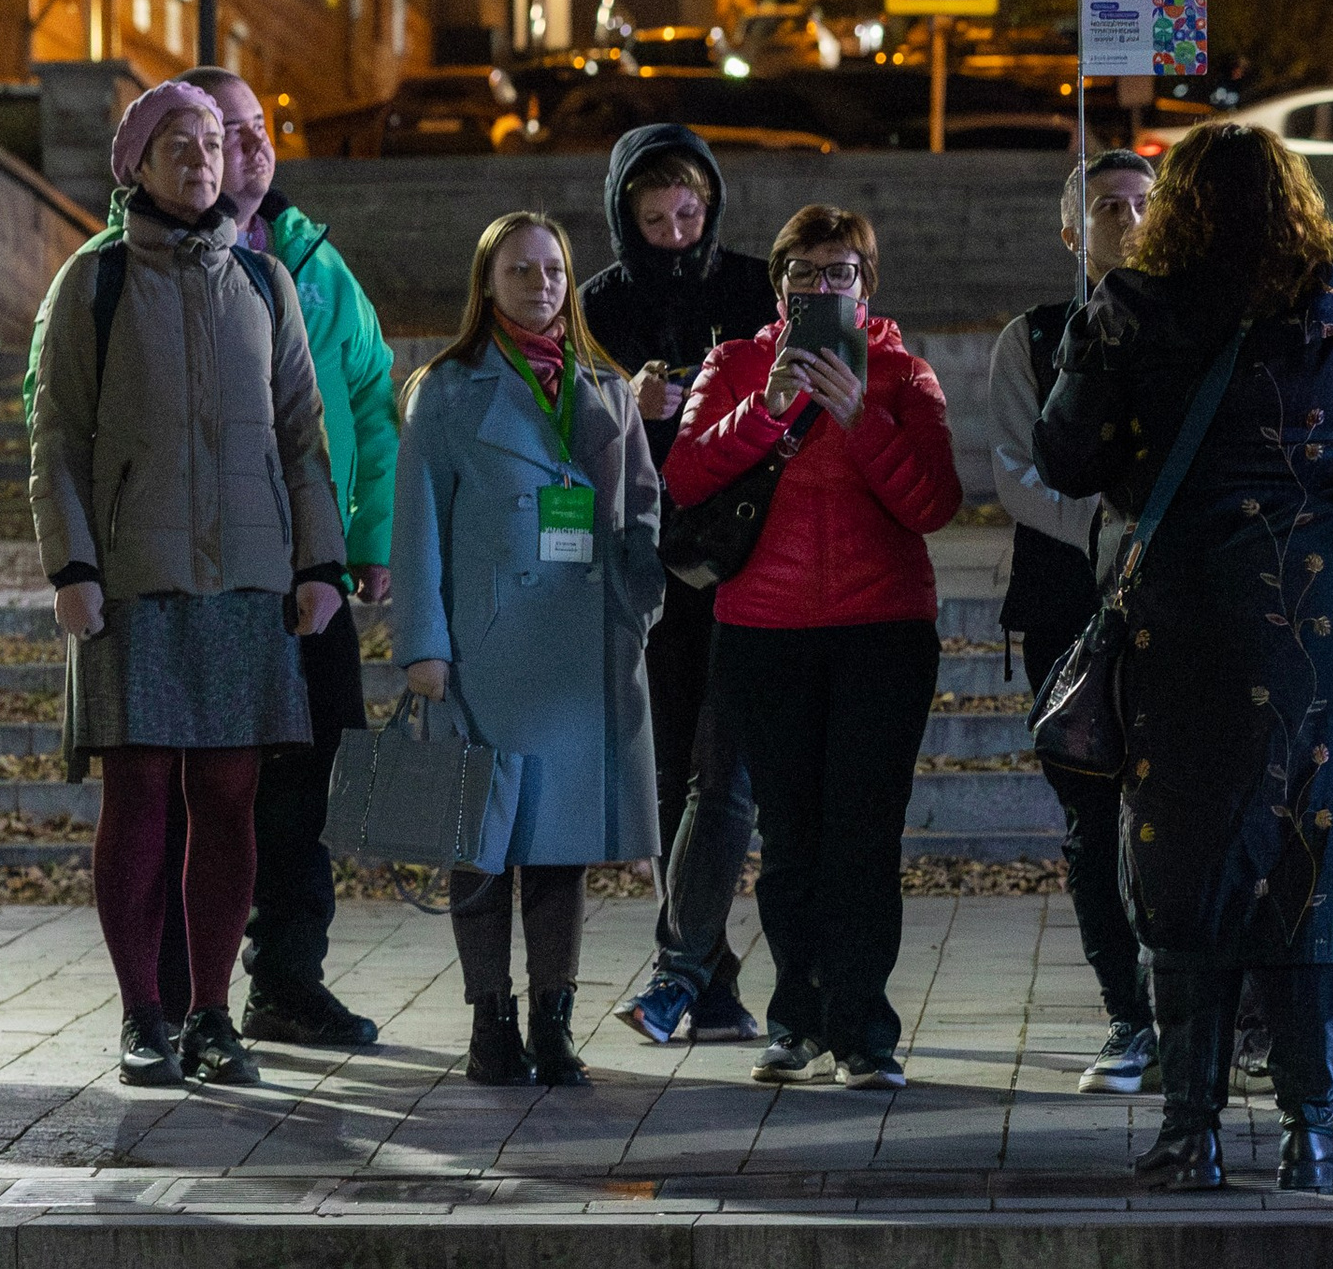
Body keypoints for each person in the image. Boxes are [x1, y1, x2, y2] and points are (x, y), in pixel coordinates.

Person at [1037, 124, 1333, 1193]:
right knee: (1313, 864)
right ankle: (1309, 1135)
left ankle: (1189, 1134)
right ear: (1295, 196)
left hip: (1189, 617)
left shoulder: (1134, 302)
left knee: (1190, 859)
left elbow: (1065, 454)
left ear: (1178, 203)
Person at [22, 68, 399, 1048]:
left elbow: (304, 436)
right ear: (137, 165)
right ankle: (142, 1013)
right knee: (141, 800)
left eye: (214, 144)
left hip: (247, 584)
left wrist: (319, 564)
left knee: (230, 803)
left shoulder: (269, 282)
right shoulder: (95, 281)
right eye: (178, 145)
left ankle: (212, 1014)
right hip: (133, 584)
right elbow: (56, 434)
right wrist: (72, 569)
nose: (202, 159)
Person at [665, 205, 963, 1092]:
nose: (822, 286)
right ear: (781, 286)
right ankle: (796, 1017)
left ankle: (863, 1029)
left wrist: (861, 415)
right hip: (764, 630)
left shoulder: (904, 374)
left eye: (841, 273)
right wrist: (766, 411)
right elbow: (684, 475)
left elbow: (934, 503)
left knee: (863, 839)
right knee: (790, 839)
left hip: (882, 632)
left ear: (866, 287)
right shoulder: (736, 365)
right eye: (805, 273)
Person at [391, 212, 666, 1087]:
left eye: (553, 270)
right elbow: (417, 524)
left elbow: (643, 507)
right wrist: (422, 646)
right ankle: (490, 1023)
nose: (541, 285)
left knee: (560, 845)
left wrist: (638, 606)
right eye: (521, 270)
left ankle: (553, 1022)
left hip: (579, 653)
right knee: (480, 843)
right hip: (483, 649)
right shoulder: (445, 389)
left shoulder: (604, 387)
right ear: (487, 282)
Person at [585, 125, 782, 1048]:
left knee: (729, 767)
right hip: (649, 559)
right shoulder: (599, 303)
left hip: (744, 550)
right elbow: (569, 422)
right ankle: (709, 971)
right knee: (673, 770)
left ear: (712, 207)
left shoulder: (749, 287)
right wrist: (629, 404)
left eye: (688, 215)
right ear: (625, 216)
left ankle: (699, 969)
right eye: (655, 220)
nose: (674, 234)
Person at [988, 149, 1159, 1092]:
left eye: (1142, 204)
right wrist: (1111, 531)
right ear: (1071, 231)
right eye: (1106, 207)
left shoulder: (1199, 323)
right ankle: (1128, 1014)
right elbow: (1019, 472)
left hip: (1176, 605)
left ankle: (1213, 1008)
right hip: (1069, 606)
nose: (1128, 221)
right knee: (1094, 817)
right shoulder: (1034, 337)